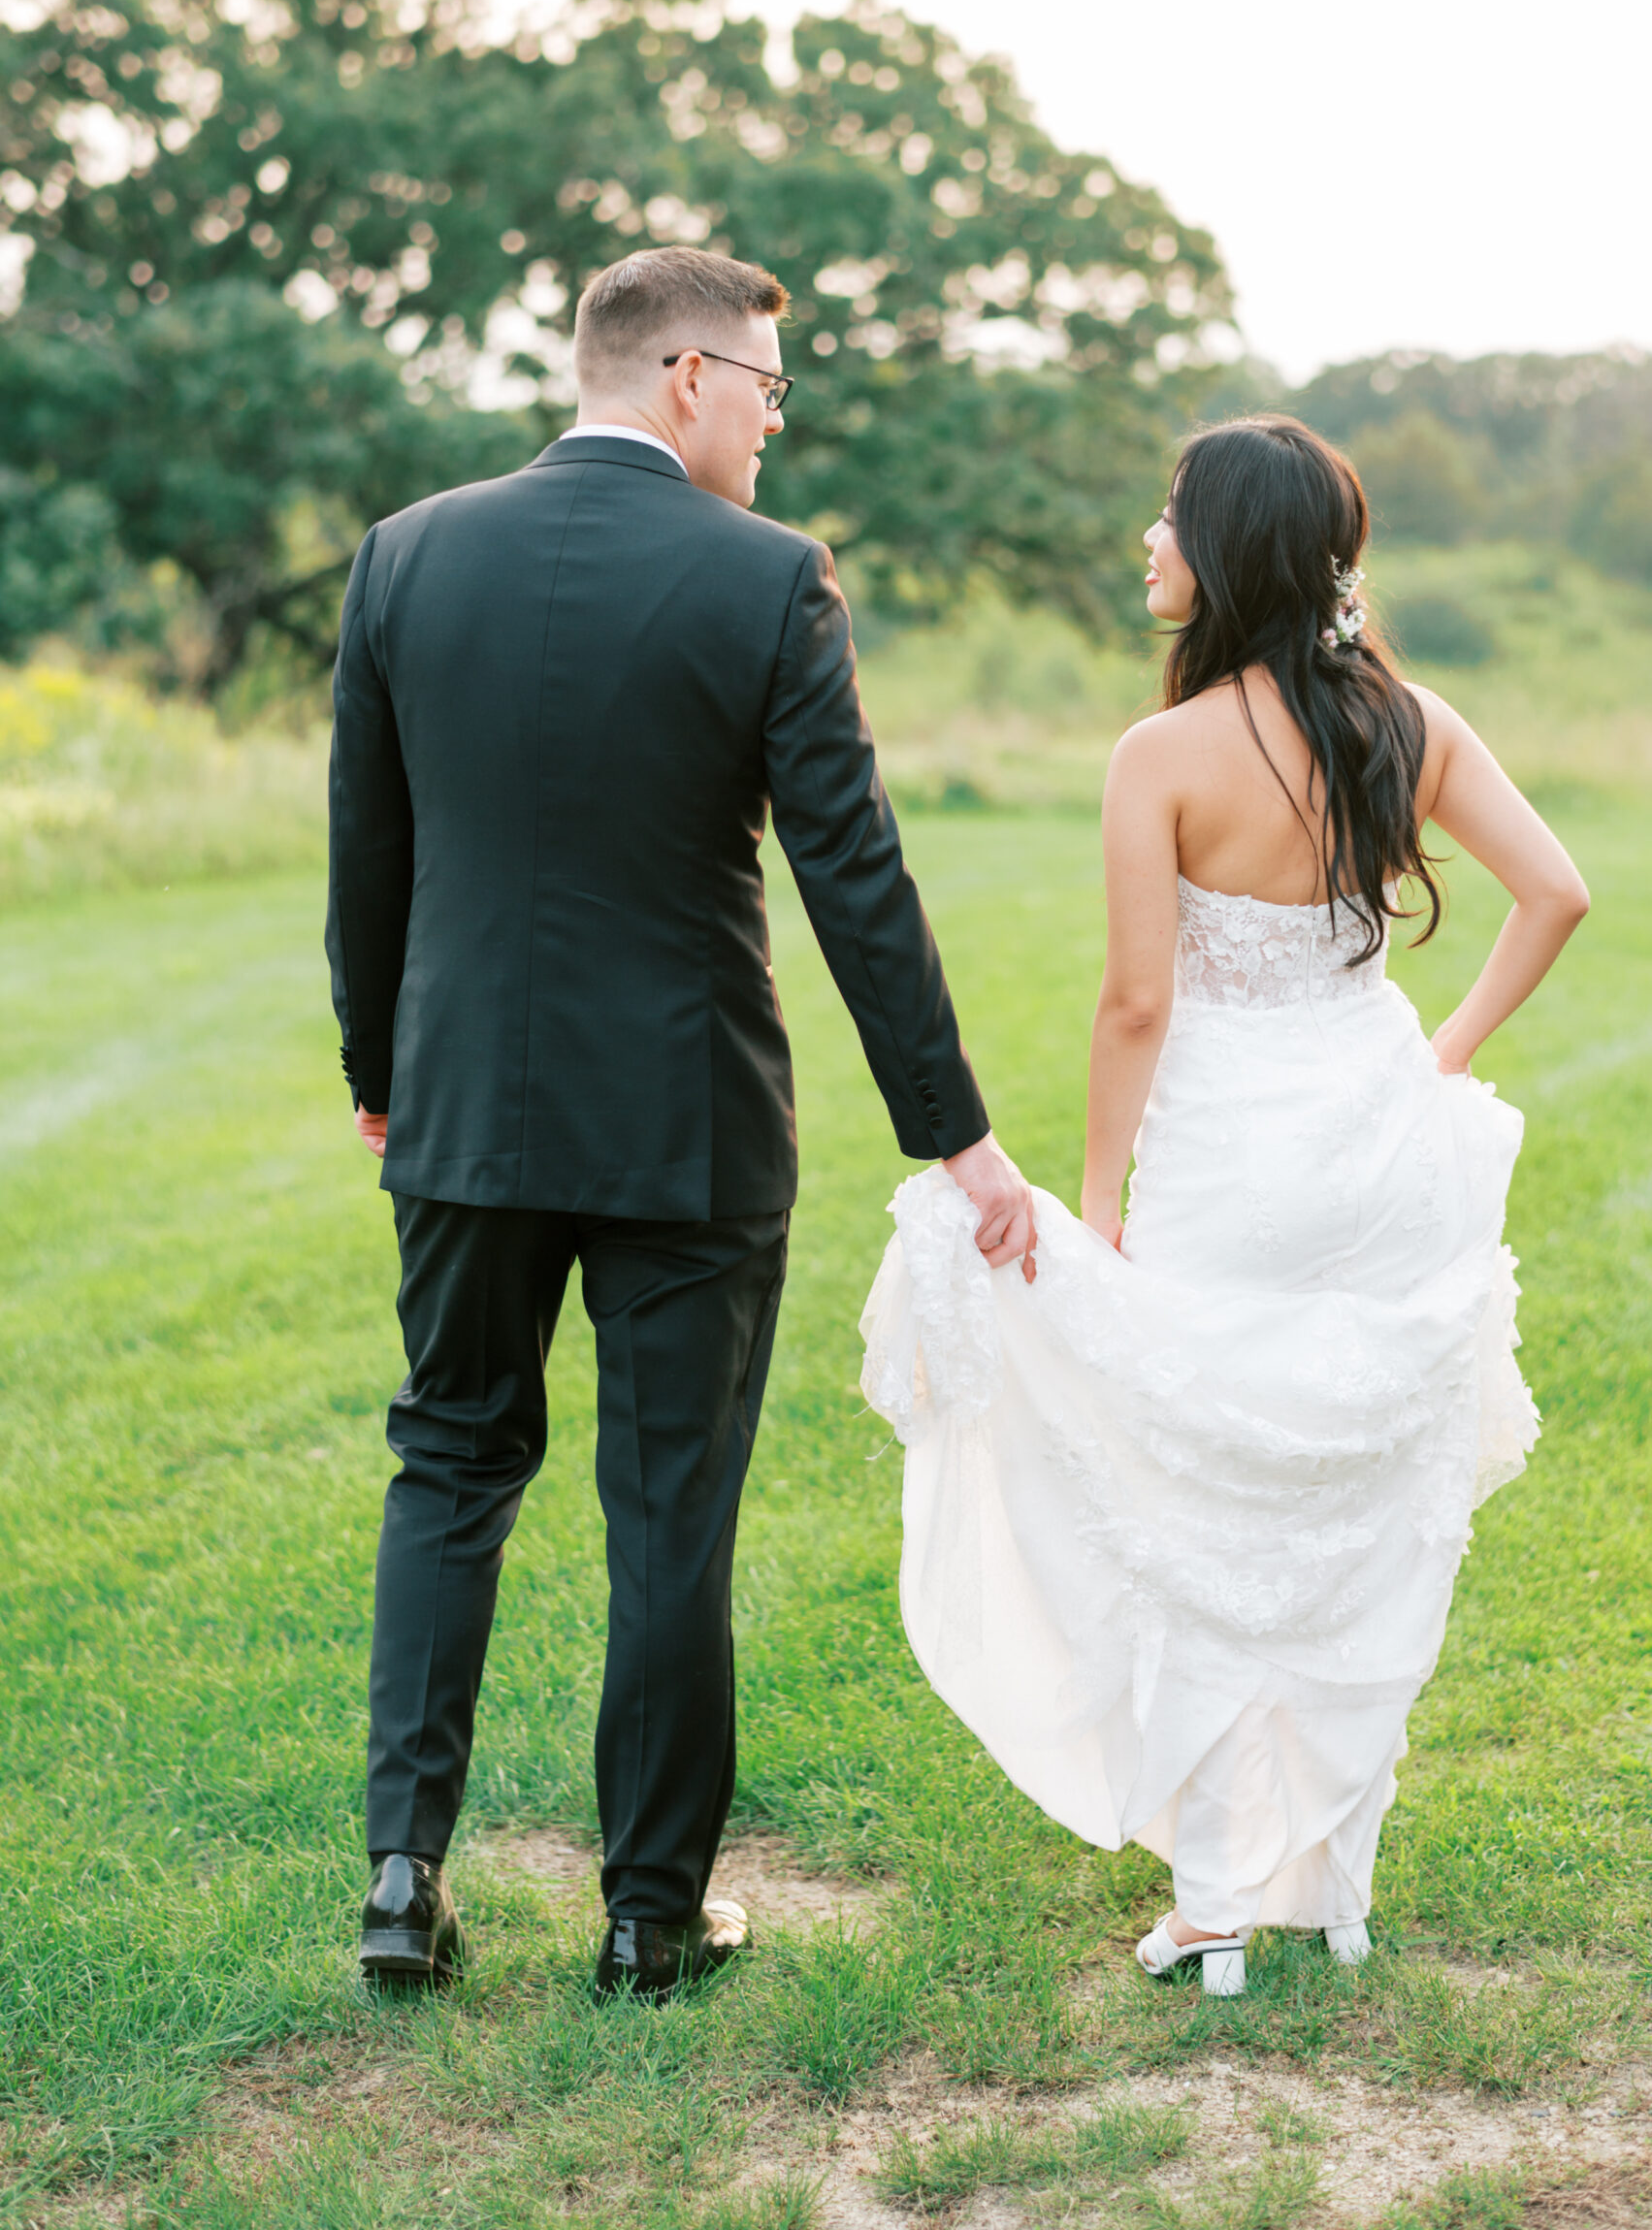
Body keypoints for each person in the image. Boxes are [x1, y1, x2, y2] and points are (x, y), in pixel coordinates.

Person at [326, 244, 1035, 2000]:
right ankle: (651, 1921)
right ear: (689, 379)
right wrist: (959, 1136)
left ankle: (405, 1881)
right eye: (773, 393)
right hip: (687, 1127)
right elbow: (853, 879)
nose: (778, 431)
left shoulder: (406, 558)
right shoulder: (769, 582)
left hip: (466, 1112)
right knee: (669, 1516)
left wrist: (378, 1072)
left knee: (450, 1461)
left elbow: (370, 861)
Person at [860, 415, 1587, 1996]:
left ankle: (1211, 1908)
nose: (1147, 539)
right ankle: (1330, 1884)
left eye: (1168, 516)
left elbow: (1136, 1003)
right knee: (1345, 1516)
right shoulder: (1412, 725)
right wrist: (1440, 1055)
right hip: (1377, 1149)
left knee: (1200, 1506)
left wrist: (1098, 1197)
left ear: (1229, 551)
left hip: (1231, 1159)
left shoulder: (1162, 756)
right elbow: (1558, 892)